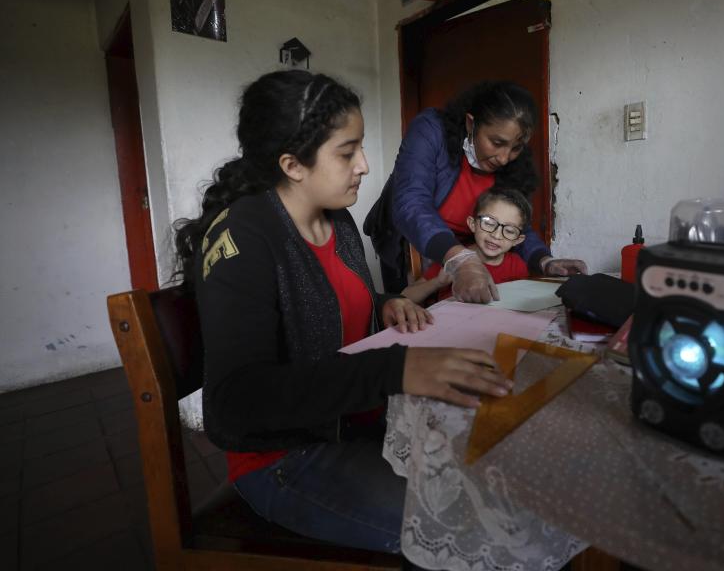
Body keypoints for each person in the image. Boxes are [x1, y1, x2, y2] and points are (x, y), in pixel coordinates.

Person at [172, 70, 512, 555]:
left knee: (493, 472)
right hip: (286, 458)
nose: (365, 166)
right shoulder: (246, 237)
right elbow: (234, 400)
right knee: (465, 522)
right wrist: (397, 369)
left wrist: (386, 304)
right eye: (348, 152)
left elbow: (326, 304)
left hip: (353, 425)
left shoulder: (337, 220)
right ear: (293, 164)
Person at [364, 81, 587, 303]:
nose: (504, 158)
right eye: (496, 142)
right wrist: (459, 257)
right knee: (406, 316)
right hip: (407, 241)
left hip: (466, 253)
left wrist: (544, 260)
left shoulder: (512, 168)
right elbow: (411, 203)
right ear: (471, 124)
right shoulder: (431, 130)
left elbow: (516, 225)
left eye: (516, 148)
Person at [402, 187, 531, 304]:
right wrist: (437, 282)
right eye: (489, 223)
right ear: (472, 224)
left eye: (509, 231)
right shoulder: (455, 259)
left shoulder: (517, 266)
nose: (496, 236)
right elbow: (405, 296)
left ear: (517, 240)